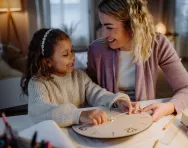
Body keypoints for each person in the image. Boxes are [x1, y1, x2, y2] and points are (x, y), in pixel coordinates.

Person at [87, 0, 188, 122]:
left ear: (132, 26)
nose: (104, 34)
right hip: (108, 117)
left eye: (109, 27)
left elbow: (185, 87)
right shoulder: (96, 49)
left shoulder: (158, 44)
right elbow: (88, 90)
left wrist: (168, 107)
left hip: (144, 115)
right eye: (102, 26)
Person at [20, 28, 140, 127]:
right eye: (65, 54)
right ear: (48, 61)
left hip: (84, 132)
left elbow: (97, 93)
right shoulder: (38, 83)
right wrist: (80, 115)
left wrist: (117, 101)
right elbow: (40, 111)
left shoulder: (79, 76)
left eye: (72, 51)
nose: (72, 57)